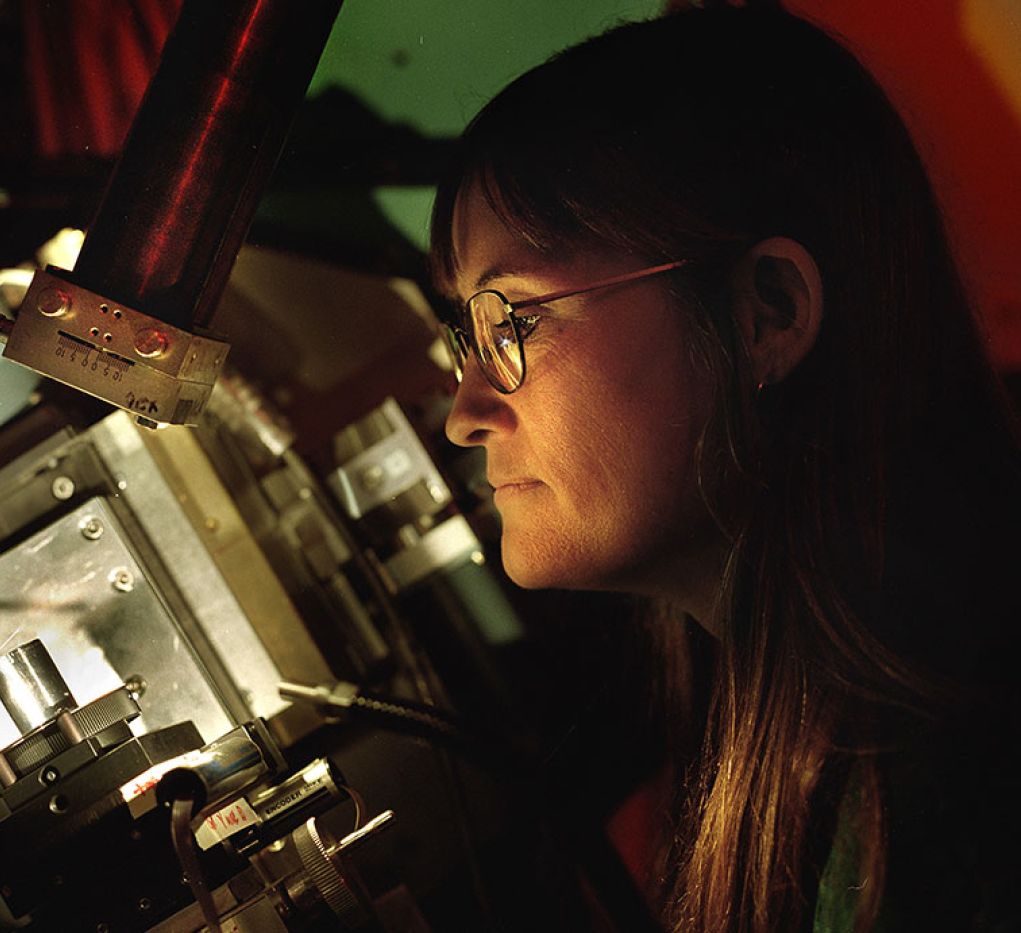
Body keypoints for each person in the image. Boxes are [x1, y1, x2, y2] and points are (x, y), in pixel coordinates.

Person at [430, 5, 1021, 931]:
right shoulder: (802, 726)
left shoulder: (959, 796)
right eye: (464, 334)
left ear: (768, 313)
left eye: (516, 321)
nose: (465, 414)